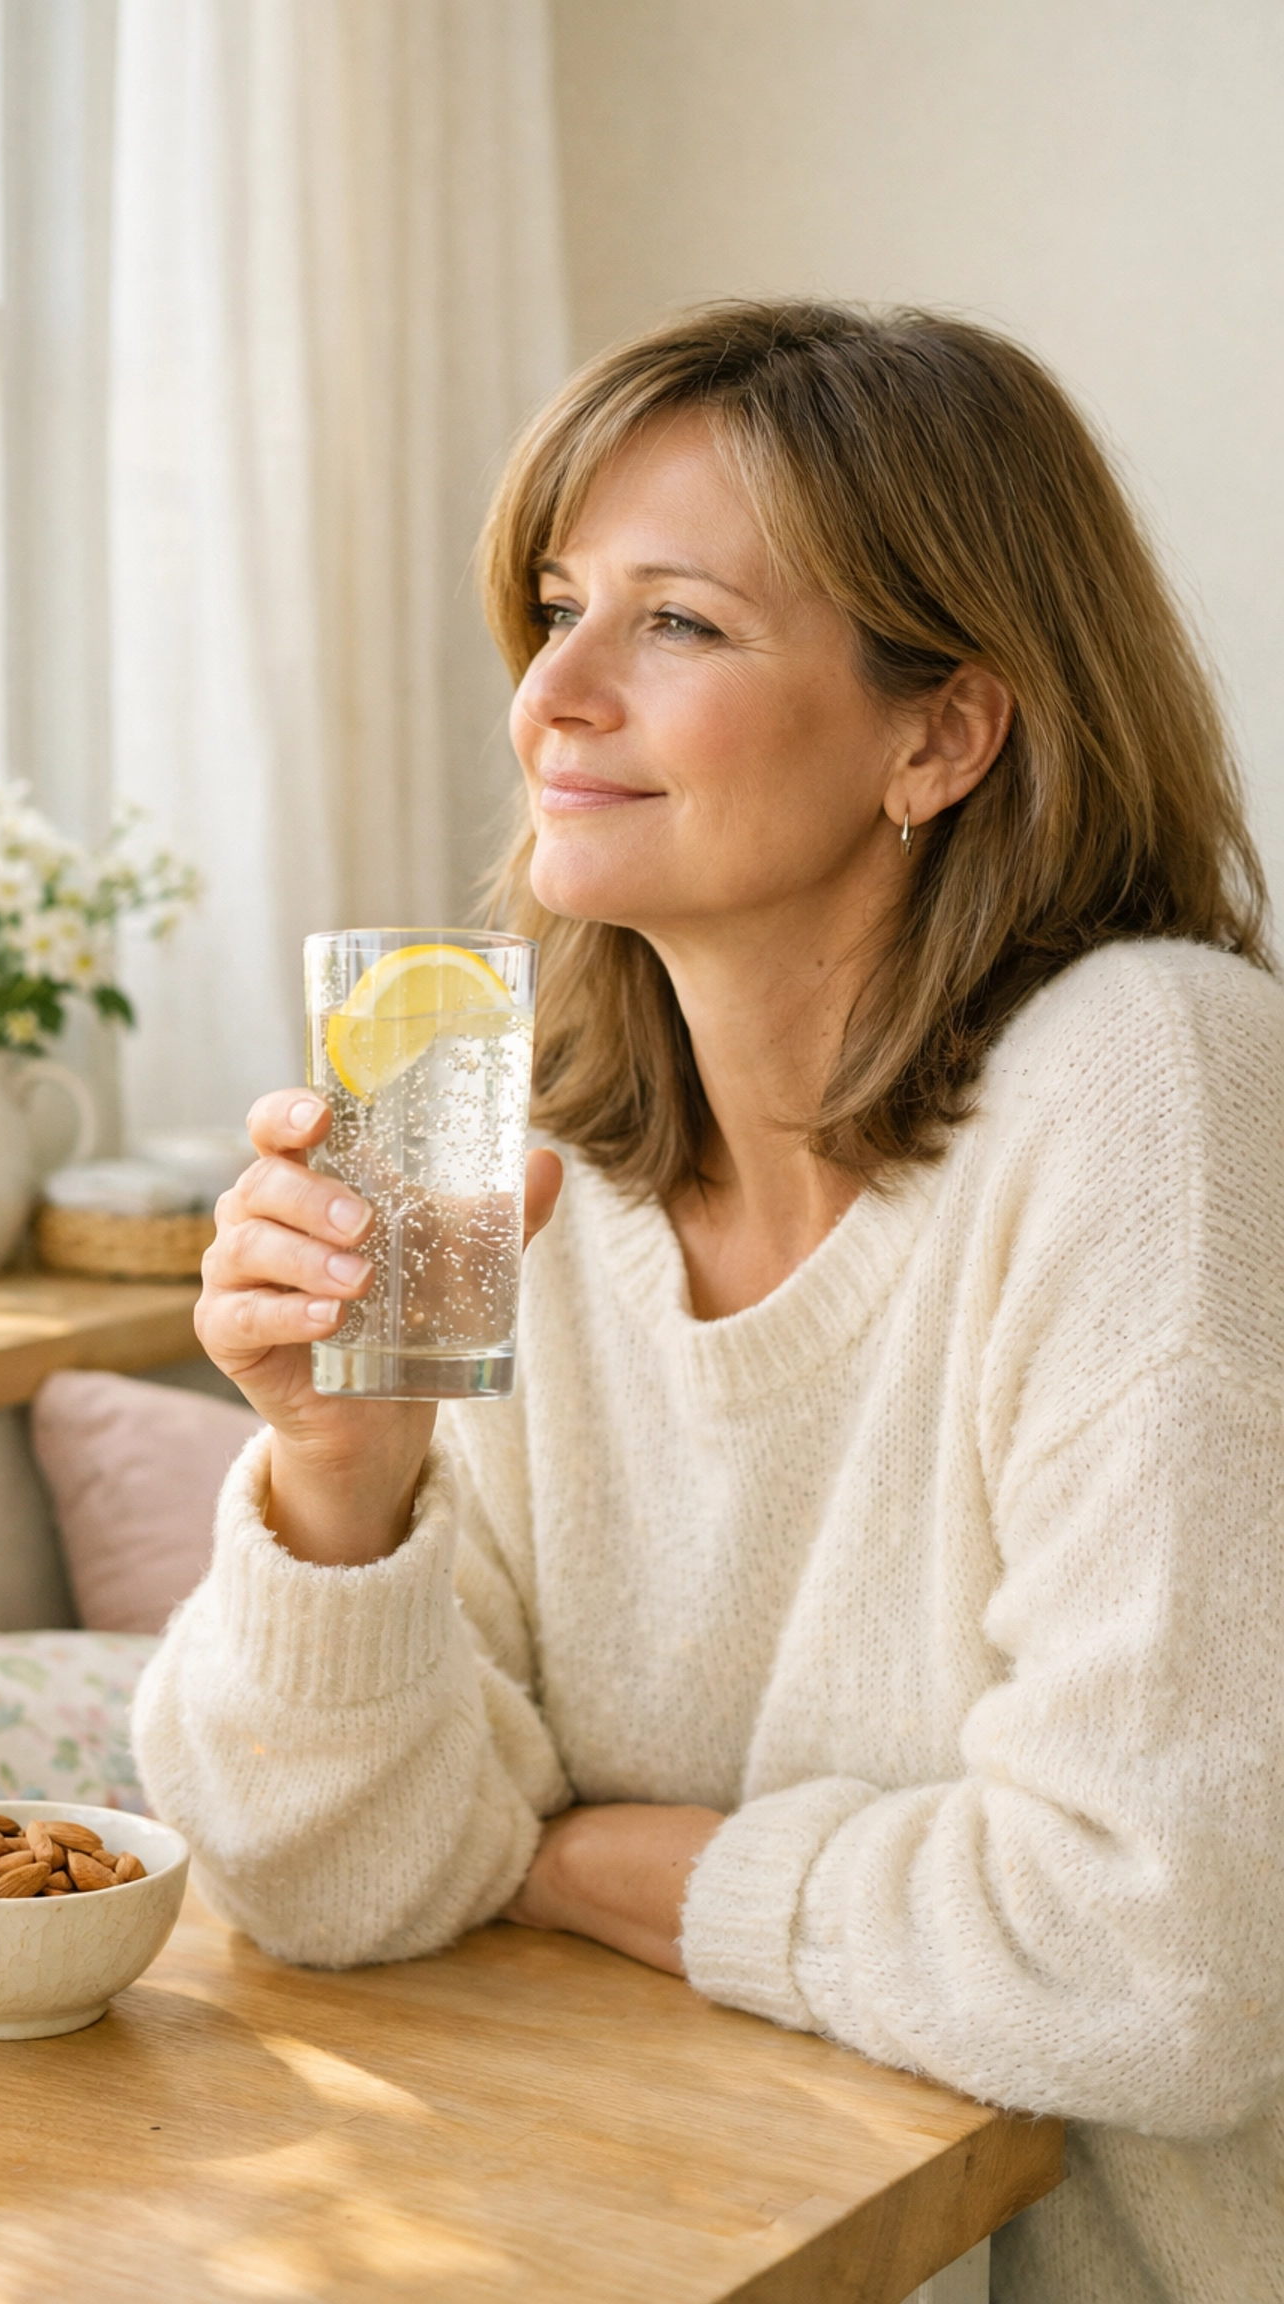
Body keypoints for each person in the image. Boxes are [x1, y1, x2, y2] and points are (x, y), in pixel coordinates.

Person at [132, 303, 1284, 2302]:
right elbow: (331, 1889)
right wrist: (342, 1483)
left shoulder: (1148, 1084)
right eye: (558, 607)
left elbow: (1165, 1955)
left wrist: (603, 1862)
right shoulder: (518, 1167)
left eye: (677, 623)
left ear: (940, 731)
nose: (552, 695)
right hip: (641, 2233)